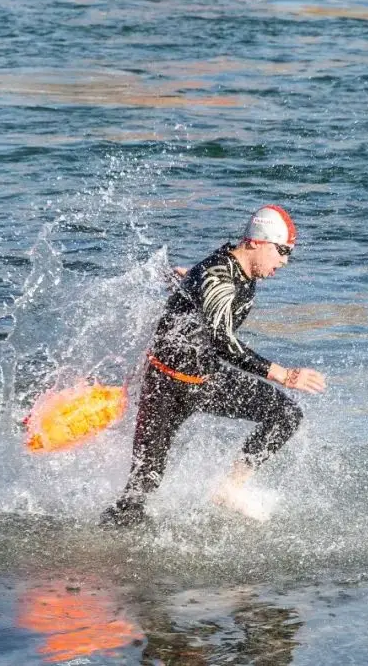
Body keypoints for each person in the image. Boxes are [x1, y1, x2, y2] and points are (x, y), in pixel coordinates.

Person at [101, 204, 326, 527]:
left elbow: (209, 281)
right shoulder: (218, 276)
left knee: (286, 415)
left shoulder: (234, 269)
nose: (284, 261)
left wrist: (191, 279)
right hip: (165, 388)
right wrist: (283, 374)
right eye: (281, 251)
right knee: (140, 491)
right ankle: (102, 556)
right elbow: (221, 339)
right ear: (256, 242)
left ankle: (230, 488)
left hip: (205, 380)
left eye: (288, 253)